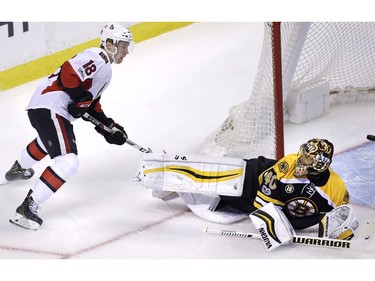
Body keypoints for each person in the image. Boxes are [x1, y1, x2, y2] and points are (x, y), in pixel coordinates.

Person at [3, 23, 134, 230]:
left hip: (43, 108)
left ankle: (18, 169)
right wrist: (78, 98)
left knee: (47, 143)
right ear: (109, 44)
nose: (127, 51)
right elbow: (68, 74)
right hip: (51, 108)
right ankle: (27, 208)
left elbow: (91, 106)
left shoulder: (105, 71)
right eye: (124, 46)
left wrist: (110, 129)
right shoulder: (98, 57)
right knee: (68, 161)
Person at [140, 138, 354, 237]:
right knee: (215, 183)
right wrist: (274, 228)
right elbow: (262, 201)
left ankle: (175, 181)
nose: (299, 163)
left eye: (306, 161)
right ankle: (164, 172)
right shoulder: (288, 164)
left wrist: (340, 230)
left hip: (269, 204)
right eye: (302, 156)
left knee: (217, 198)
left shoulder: (335, 189)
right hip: (252, 178)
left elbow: (342, 217)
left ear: (319, 166)